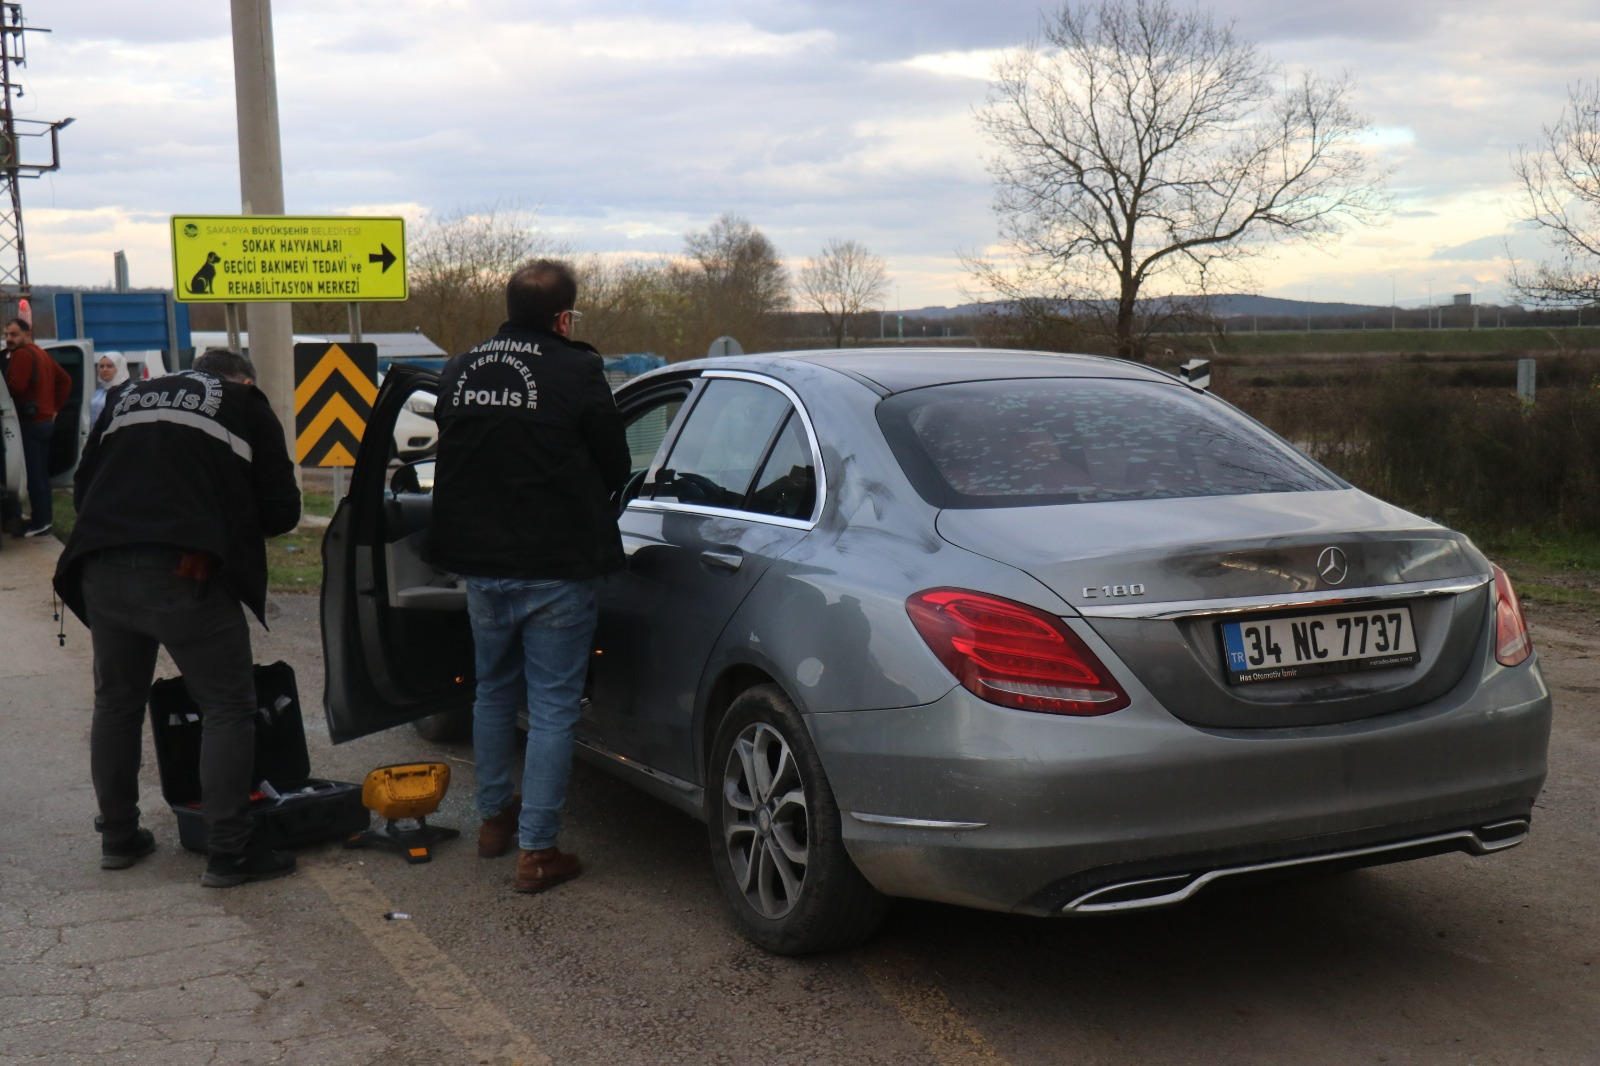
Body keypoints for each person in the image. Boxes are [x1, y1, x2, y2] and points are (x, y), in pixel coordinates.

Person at [53, 348, 302, 885]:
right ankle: (229, 851)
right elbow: (282, 512)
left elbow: (81, 485)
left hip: (101, 566)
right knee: (228, 706)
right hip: (185, 575)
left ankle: (118, 835)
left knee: (116, 703)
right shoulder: (244, 403)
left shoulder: (124, 397)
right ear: (242, 380)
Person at [429, 258, 630, 894]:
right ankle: (537, 852)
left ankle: (494, 823)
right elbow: (616, 462)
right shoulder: (578, 368)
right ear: (565, 317)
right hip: (555, 566)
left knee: (492, 691)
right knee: (551, 708)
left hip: (480, 566)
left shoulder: (460, 369)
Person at [2, 318, 70, 537]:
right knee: (41, 474)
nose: (9, 339)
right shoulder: (40, 353)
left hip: (29, 424)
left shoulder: (22, 355)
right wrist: (54, 408)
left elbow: (15, 388)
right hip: (44, 422)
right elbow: (66, 380)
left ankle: (40, 522)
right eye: (6, 335)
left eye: (13, 334)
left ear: (26, 333)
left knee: (33, 475)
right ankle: (45, 519)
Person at [87, 351, 130, 426]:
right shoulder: (100, 391)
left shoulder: (127, 390)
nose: (104, 369)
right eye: (101, 366)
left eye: (109, 366)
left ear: (120, 368)